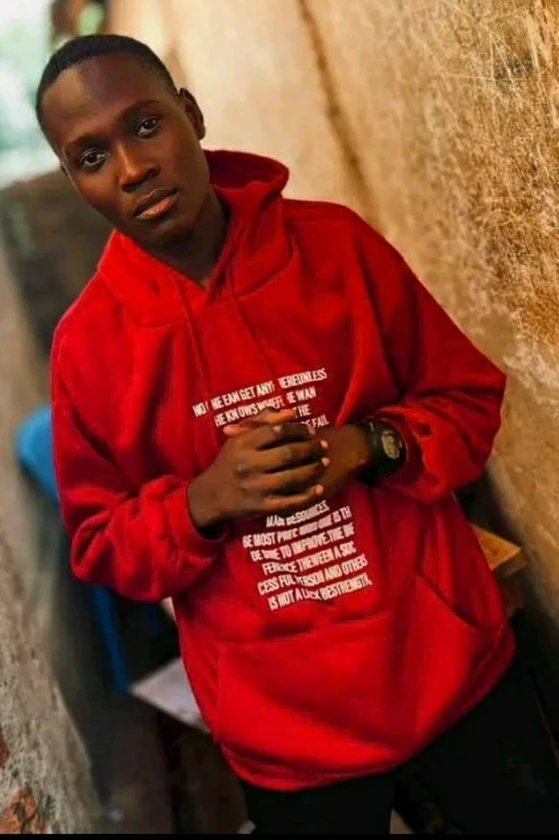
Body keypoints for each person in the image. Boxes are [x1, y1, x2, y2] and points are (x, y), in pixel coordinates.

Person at [35, 33, 559, 834]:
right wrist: (203, 501)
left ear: (191, 114)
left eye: (145, 125)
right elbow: (101, 545)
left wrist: (373, 446)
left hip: (452, 677)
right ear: (75, 181)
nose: (133, 168)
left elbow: (467, 399)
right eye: (92, 157)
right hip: (287, 741)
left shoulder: (335, 246)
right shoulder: (89, 348)